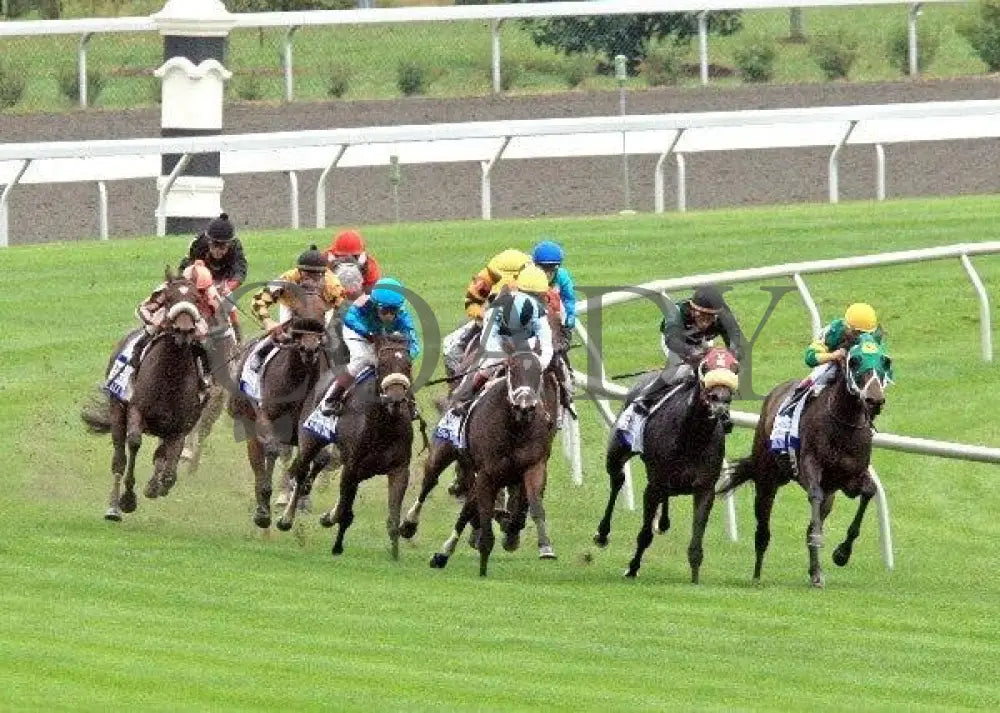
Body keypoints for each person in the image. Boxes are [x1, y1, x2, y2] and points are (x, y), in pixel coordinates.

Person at [629, 285, 745, 430]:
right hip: (676, 341)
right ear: (692, 309)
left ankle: (722, 411)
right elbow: (672, 341)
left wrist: (732, 354)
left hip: (702, 341)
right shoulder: (676, 313)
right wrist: (690, 353)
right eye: (702, 315)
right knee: (677, 371)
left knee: (716, 371)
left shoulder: (723, 314)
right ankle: (645, 399)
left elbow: (736, 339)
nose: (706, 321)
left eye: (710, 317)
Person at [447, 264, 554, 416]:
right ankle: (463, 397)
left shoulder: (538, 311)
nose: (538, 299)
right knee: (487, 366)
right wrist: (500, 356)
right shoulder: (498, 308)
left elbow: (545, 342)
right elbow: (489, 338)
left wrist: (540, 363)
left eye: (538, 296)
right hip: (499, 340)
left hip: (526, 342)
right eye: (536, 295)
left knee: (535, 368)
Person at [320, 277, 421, 416]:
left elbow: (413, 339)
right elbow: (349, 319)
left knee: (400, 362)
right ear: (374, 305)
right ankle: (332, 399)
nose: (389, 316)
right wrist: (367, 333)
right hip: (357, 333)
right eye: (385, 311)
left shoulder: (403, 315)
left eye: (394, 311)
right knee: (363, 359)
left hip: (382, 335)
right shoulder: (362, 305)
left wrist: (407, 355)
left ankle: (410, 402)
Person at [128, 260, 220, 393]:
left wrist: (206, 326)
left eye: (202, 290)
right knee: (146, 336)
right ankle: (134, 367)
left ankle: (205, 378)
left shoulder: (210, 292)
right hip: (164, 320)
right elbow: (143, 308)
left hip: (192, 321)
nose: (200, 293)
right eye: (198, 290)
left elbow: (217, 315)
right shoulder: (165, 289)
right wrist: (155, 322)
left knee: (207, 344)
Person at [777, 302, 884, 417]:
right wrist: (833, 356)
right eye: (858, 334)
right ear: (848, 328)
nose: (863, 338)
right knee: (809, 383)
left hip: (858, 370)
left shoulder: (875, 338)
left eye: (867, 334)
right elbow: (810, 357)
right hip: (833, 365)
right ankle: (788, 413)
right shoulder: (836, 330)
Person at [249, 245, 345, 371]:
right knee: (284, 331)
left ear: (323, 275)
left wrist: (331, 330)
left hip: (322, 310)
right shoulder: (287, 279)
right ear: (298, 271)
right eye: (306, 274)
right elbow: (258, 299)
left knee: (331, 338)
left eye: (315, 276)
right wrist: (269, 322)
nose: (310, 280)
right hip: (292, 307)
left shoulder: (332, 286)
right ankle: (262, 353)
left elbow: (344, 310)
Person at [442, 248, 531, 378]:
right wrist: (483, 315)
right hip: (489, 322)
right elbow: (471, 302)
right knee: (450, 346)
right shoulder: (486, 278)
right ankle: (457, 381)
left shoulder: (534, 279)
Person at [179, 212, 248, 340]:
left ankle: (238, 339)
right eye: (214, 246)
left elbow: (240, 271)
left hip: (223, 280)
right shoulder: (198, 243)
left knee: (229, 304)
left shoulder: (236, 247)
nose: (218, 252)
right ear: (208, 242)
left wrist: (228, 286)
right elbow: (184, 266)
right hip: (200, 279)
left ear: (230, 244)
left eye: (223, 248)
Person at [531, 238, 576, 344]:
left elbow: (569, 299)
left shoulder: (562, 277)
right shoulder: (528, 278)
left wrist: (569, 319)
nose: (548, 274)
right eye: (544, 268)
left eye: (552, 269)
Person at [323, 229, 382, 294]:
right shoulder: (323, 261)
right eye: (343, 256)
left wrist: (359, 272)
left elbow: (371, 295)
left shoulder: (369, 265)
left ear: (361, 256)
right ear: (334, 255)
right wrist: (330, 272)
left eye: (354, 256)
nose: (348, 260)